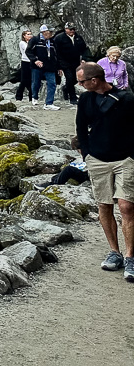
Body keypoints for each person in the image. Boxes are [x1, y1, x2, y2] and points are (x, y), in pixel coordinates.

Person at [75, 62, 134, 280]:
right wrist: (87, 155)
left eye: (81, 81)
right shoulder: (86, 99)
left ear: (94, 80)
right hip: (97, 159)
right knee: (104, 204)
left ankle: (130, 256)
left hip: (125, 158)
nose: (79, 85)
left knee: (127, 206)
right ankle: (114, 252)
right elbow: (80, 126)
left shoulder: (127, 99)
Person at [53, 21, 92, 104]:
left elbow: (84, 49)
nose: (72, 31)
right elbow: (56, 53)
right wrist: (59, 66)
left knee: (75, 79)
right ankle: (72, 98)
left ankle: (66, 88)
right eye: (70, 29)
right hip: (64, 62)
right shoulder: (59, 38)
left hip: (76, 62)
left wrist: (84, 59)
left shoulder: (78, 37)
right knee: (69, 78)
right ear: (66, 29)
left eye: (73, 29)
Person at [28, 24, 61, 110]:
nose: (51, 33)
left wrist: (59, 67)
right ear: (43, 32)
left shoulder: (53, 41)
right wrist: (35, 60)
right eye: (49, 31)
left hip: (50, 66)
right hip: (37, 66)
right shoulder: (35, 40)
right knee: (36, 82)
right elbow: (28, 51)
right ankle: (34, 97)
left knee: (52, 83)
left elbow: (57, 55)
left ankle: (49, 103)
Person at [14, 29, 35, 103]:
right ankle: (19, 96)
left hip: (32, 62)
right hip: (25, 62)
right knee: (23, 80)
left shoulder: (32, 42)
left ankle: (31, 97)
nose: (30, 35)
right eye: (28, 34)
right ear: (24, 36)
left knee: (32, 80)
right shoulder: (22, 43)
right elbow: (28, 49)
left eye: (30, 34)